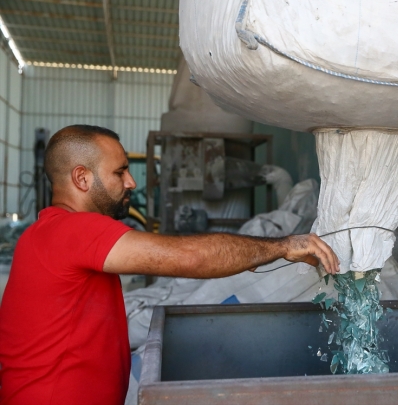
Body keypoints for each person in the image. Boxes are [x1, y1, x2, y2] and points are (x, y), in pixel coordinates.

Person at [0, 125, 339, 405]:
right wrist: (283, 246)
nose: (131, 182)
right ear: (82, 178)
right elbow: (189, 257)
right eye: (120, 172)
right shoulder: (70, 229)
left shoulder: (51, 233)